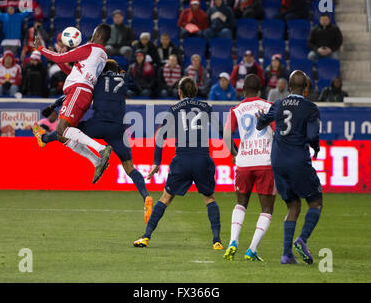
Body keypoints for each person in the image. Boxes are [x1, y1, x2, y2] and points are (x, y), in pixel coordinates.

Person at [33, 60, 154, 223]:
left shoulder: (95, 80)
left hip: (98, 125)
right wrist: (124, 77)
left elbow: (72, 95)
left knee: (66, 130)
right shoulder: (124, 79)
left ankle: (44, 138)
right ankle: (146, 197)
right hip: (118, 130)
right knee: (129, 167)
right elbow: (139, 89)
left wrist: (54, 105)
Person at [133, 77, 224, 250]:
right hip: (202, 158)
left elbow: (160, 136)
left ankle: (146, 237)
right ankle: (217, 241)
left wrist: (157, 163)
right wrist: (234, 151)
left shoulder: (174, 109)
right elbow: (221, 131)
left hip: (182, 159)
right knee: (209, 198)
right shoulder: (206, 107)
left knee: (165, 198)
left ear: (180, 92)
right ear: (196, 91)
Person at [256, 70, 323, 265]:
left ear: (290, 87)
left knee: (293, 205)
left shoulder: (278, 104)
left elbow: (261, 124)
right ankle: (302, 239)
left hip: (277, 161)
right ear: (306, 88)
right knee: (316, 202)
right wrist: (316, 148)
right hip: (297, 160)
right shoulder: (310, 108)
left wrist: (261, 119)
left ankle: (286, 255)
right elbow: (311, 136)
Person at [34, 23, 113, 184]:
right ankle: (96, 161)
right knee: (62, 136)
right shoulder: (102, 55)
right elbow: (74, 72)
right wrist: (60, 60)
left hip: (78, 91)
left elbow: (61, 57)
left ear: (97, 34)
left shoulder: (90, 48)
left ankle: (101, 149)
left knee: (61, 129)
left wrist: (41, 49)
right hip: (83, 92)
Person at [223, 74, 275, 262]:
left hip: (244, 162)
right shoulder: (269, 107)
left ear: (243, 90)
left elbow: (227, 135)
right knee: (267, 208)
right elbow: (278, 133)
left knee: (240, 203)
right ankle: (252, 249)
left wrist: (235, 154)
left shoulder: (236, 109)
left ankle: (233, 241)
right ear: (260, 90)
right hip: (265, 162)